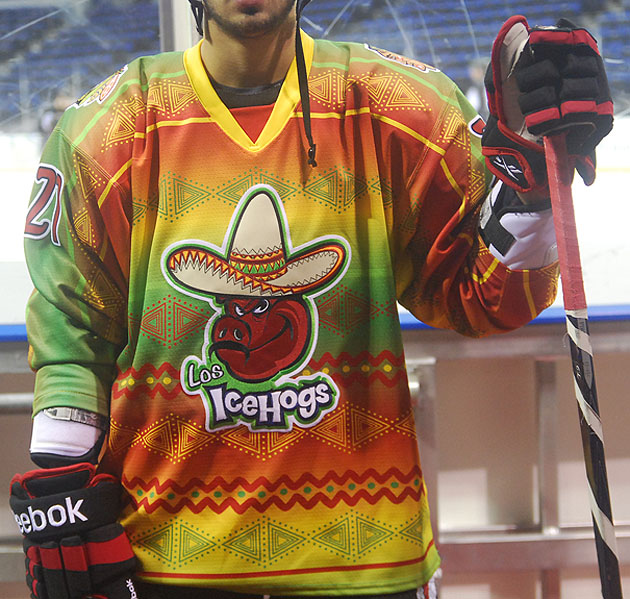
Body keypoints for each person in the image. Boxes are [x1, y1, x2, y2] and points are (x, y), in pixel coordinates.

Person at [10, 2, 612, 598]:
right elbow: (74, 322)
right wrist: (63, 483)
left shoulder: (398, 105)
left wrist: (531, 177)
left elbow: (487, 297)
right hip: (166, 561)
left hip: (371, 558)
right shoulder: (112, 126)